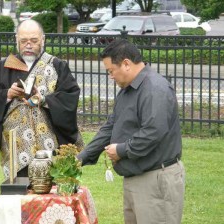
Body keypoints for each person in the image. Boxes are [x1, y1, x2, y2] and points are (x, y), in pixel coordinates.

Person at [77, 39, 185, 224]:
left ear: (126, 63)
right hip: (135, 177)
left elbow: (153, 132)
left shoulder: (154, 88)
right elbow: (111, 127)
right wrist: (81, 158)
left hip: (156, 179)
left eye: (111, 71)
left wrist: (121, 151)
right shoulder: (128, 90)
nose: (110, 76)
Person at [0, 19, 83, 179]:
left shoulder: (55, 65)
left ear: (43, 39)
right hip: (16, 145)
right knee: (19, 194)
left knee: (51, 191)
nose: (28, 45)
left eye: (34, 41)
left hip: (49, 141)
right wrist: (7, 94)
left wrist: (43, 100)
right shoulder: (3, 67)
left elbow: (69, 96)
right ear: (16, 40)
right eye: (23, 41)